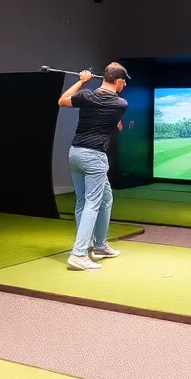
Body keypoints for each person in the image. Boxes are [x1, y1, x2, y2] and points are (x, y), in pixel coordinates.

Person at [58, 63, 129, 270]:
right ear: (117, 81)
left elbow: (62, 100)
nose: (124, 85)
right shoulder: (121, 103)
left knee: (100, 199)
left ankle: (98, 245)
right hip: (94, 157)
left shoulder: (87, 95)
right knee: (92, 203)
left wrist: (81, 80)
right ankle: (79, 253)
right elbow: (115, 125)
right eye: (123, 81)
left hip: (75, 153)